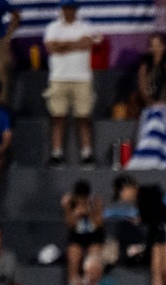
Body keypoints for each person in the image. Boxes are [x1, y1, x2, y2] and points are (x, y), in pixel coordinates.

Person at [42, 0, 96, 167]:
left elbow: (86, 43)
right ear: (62, 10)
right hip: (58, 77)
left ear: (76, 10)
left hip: (82, 78)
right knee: (58, 117)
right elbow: (51, 47)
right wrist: (75, 44)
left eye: (71, 8)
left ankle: (87, 153)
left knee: (83, 117)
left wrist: (63, 45)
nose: (68, 11)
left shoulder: (85, 27)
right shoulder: (52, 28)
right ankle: (57, 154)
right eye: (66, 8)